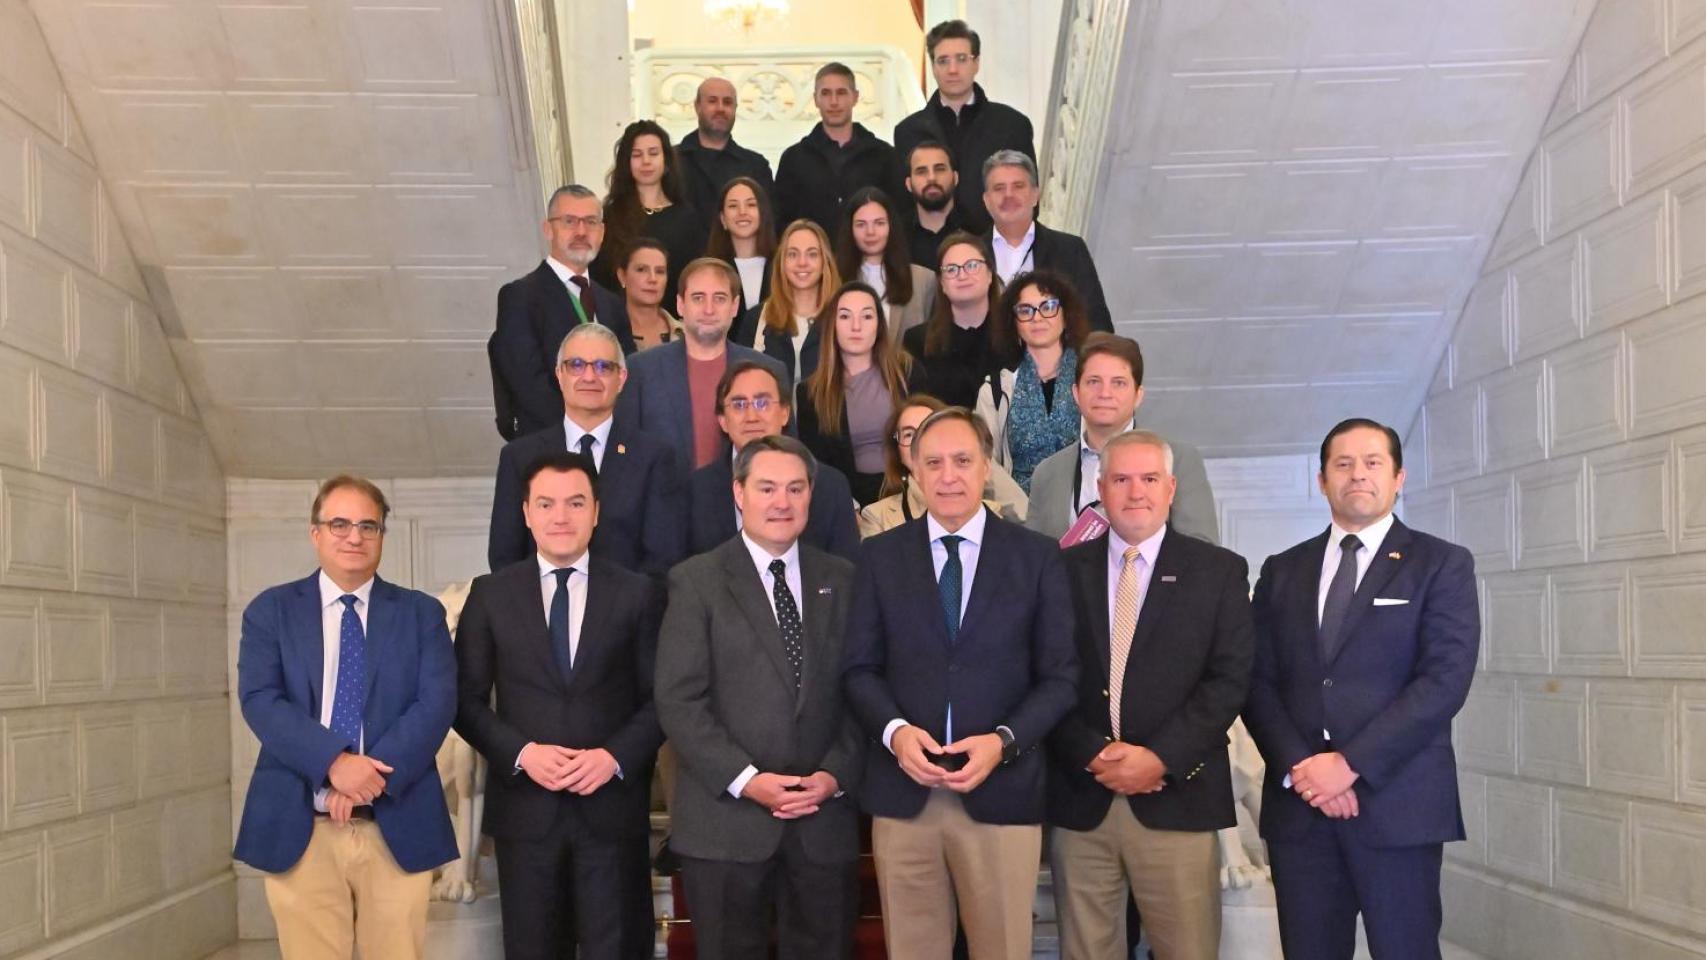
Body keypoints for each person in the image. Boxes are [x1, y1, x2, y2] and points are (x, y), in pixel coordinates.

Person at [842, 407, 1079, 960]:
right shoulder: (877, 558)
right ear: (915, 473)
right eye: (934, 463)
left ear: (986, 469)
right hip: (905, 797)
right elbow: (858, 668)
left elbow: (1062, 677)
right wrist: (897, 733)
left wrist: (1003, 742)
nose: (948, 475)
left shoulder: (1037, 557)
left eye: (962, 461)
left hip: (1001, 791)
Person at [1243, 418, 1479, 960]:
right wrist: (1304, 769)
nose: (1357, 475)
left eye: (1373, 463)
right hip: (1301, 812)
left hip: (1398, 805)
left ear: (1399, 478)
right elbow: (1256, 680)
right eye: (1342, 464)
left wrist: (1348, 764)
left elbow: (1443, 681)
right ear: (1322, 480)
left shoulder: (1440, 564)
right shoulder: (1283, 570)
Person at [1048, 431, 1255, 960]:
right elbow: (1045, 674)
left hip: (1177, 797)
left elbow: (1229, 680)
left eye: (1148, 479)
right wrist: (1090, 752)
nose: (1135, 492)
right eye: (1121, 479)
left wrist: (1160, 758)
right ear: (1101, 487)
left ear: (1171, 488)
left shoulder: (1219, 572)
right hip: (1083, 797)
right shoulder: (1061, 571)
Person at [657, 435, 864, 960]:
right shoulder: (695, 581)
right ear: (738, 493)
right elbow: (680, 701)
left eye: (795, 489)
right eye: (767, 487)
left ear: (811, 496)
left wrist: (834, 775)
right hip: (726, 826)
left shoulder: (844, 580)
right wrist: (750, 782)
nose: (782, 502)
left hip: (824, 823)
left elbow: (864, 690)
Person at [234, 476, 457, 960]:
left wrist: (366, 778)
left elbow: (436, 703)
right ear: (315, 533)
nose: (353, 536)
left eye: (367, 525)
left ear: (381, 536)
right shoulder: (270, 611)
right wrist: (335, 763)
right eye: (339, 523)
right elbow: (260, 699)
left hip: (397, 820)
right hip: (302, 828)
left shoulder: (422, 615)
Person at [456, 451, 663, 960]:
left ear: (596, 510)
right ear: (526, 513)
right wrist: (523, 753)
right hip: (526, 814)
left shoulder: (639, 594)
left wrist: (613, 758)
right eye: (546, 504)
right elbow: (463, 701)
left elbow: (662, 699)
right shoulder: (490, 595)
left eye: (575, 502)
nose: (561, 516)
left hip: (612, 813)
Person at [488, 323, 685, 575]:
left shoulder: (654, 457)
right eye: (576, 365)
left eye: (604, 367)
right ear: (559, 375)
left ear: (621, 378)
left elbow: (663, 558)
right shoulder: (519, 457)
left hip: (629, 610)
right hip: (540, 610)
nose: (589, 377)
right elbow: (505, 558)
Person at [1027, 333, 1219, 545]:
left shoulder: (1179, 459)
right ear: (1076, 393)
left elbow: (1203, 550)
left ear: (1138, 395)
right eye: (1093, 382)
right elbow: (1033, 558)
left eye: (1118, 383)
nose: (1105, 393)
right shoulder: (1047, 472)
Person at [490, 184, 636, 440]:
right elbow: (527, 384)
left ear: (602, 232)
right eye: (570, 221)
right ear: (548, 229)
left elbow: (627, 375)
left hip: (611, 447)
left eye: (590, 222)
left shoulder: (611, 302)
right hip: (551, 448)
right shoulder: (520, 297)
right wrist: (583, 431)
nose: (581, 231)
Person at [618, 257, 788, 472]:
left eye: (719, 298)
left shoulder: (770, 371)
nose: (709, 309)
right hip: (665, 502)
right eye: (698, 298)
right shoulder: (640, 369)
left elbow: (788, 455)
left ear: (734, 306)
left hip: (746, 501)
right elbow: (625, 452)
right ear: (680, 304)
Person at [687, 359, 861, 561]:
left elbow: (846, 575)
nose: (752, 416)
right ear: (723, 421)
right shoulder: (695, 490)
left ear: (785, 413)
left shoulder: (830, 486)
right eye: (739, 405)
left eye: (763, 403)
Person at [894, 20, 1035, 235]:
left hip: (997, 250)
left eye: (961, 59)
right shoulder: (908, 131)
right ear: (933, 67)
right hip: (930, 254)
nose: (952, 70)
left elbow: (1028, 198)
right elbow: (905, 203)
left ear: (976, 63)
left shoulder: (1012, 125)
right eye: (943, 61)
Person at [797, 282, 917, 506]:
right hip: (850, 503)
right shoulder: (810, 393)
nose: (856, 326)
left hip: (911, 495)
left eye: (867, 316)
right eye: (845, 317)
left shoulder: (908, 373)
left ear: (879, 325)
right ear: (832, 325)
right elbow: (817, 468)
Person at [975, 269, 1091, 491]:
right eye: (1025, 310)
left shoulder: (1090, 379)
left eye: (1048, 307)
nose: (1037, 317)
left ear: (1066, 316)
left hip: (1081, 508)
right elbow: (986, 465)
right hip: (1015, 512)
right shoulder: (996, 389)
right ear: (1014, 322)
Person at [858, 394, 1030, 537]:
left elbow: (1024, 515)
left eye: (928, 429)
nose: (921, 442)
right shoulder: (876, 517)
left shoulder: (991, 512)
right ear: (898, 452)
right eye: (909, 434)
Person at [982, 151, 1112, 333]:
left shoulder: (1070, 250)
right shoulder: (971, 255)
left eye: (1018, 186)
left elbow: (1096, 322)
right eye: (999, 188)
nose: (1008, 195)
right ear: (987, 201)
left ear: (1036, 195)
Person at [773, 62, 908, 233]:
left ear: (855, 97)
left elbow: (899, 215)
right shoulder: (794, 159)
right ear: (816, 99)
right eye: (826, 93)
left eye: (842, 93)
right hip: (813, 257)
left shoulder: (884, 155)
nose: (834, 102)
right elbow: (782, 221)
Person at [591, 120, 704, 309]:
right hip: (622, 321)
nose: (646, 161)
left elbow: (695, 276)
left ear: (666, 161)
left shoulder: (687, 217)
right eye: (637, 155)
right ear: (627, 163)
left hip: (676, 322)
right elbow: (600, 278)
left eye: (653, 153)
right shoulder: (611, 216)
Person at [901, 232, 1012, 410]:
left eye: (972, 266)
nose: (962, 275)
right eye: (951, 269)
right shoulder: (917, 340)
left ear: (990, 274)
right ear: (942, 283)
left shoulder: (1015, 335)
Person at [732, 219, 842, 384]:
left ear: (824, 261)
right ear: (781, 262)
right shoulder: (756, 319)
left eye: (812, 254)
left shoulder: (843, 317)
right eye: (793, 254)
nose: (802, 263)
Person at [677, 77, 776, 240]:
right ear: (697, 106)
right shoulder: (671, 161)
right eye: (712, 101)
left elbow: (769, 223)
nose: (720, 108)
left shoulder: (756, 166)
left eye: (728, 102)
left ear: (735, 109)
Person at [834, 186, 938, 338]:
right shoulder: (834, 279)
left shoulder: (924, 280)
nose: (870, 232)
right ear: (850, 230)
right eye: (861, 224)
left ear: (891, 226)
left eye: (879, 223)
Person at [704, 176, 778, 316]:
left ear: (763, 214)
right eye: (733, 206)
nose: (742, 212)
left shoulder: (781, 265)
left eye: (751, 205)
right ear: (723, 219)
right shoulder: (708, 269)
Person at [904, 141, 967, 270]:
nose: (931, 178)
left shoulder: (978, 232)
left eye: (940, 169)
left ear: (955, 178)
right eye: (921, 171)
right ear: (909, 184)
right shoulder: (896, 237)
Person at [618, 238, 684, 350]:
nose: (653, 279)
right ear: (622, 276)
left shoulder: (686, 334)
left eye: (660, 271)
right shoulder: (606, 331)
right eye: (641, 269)